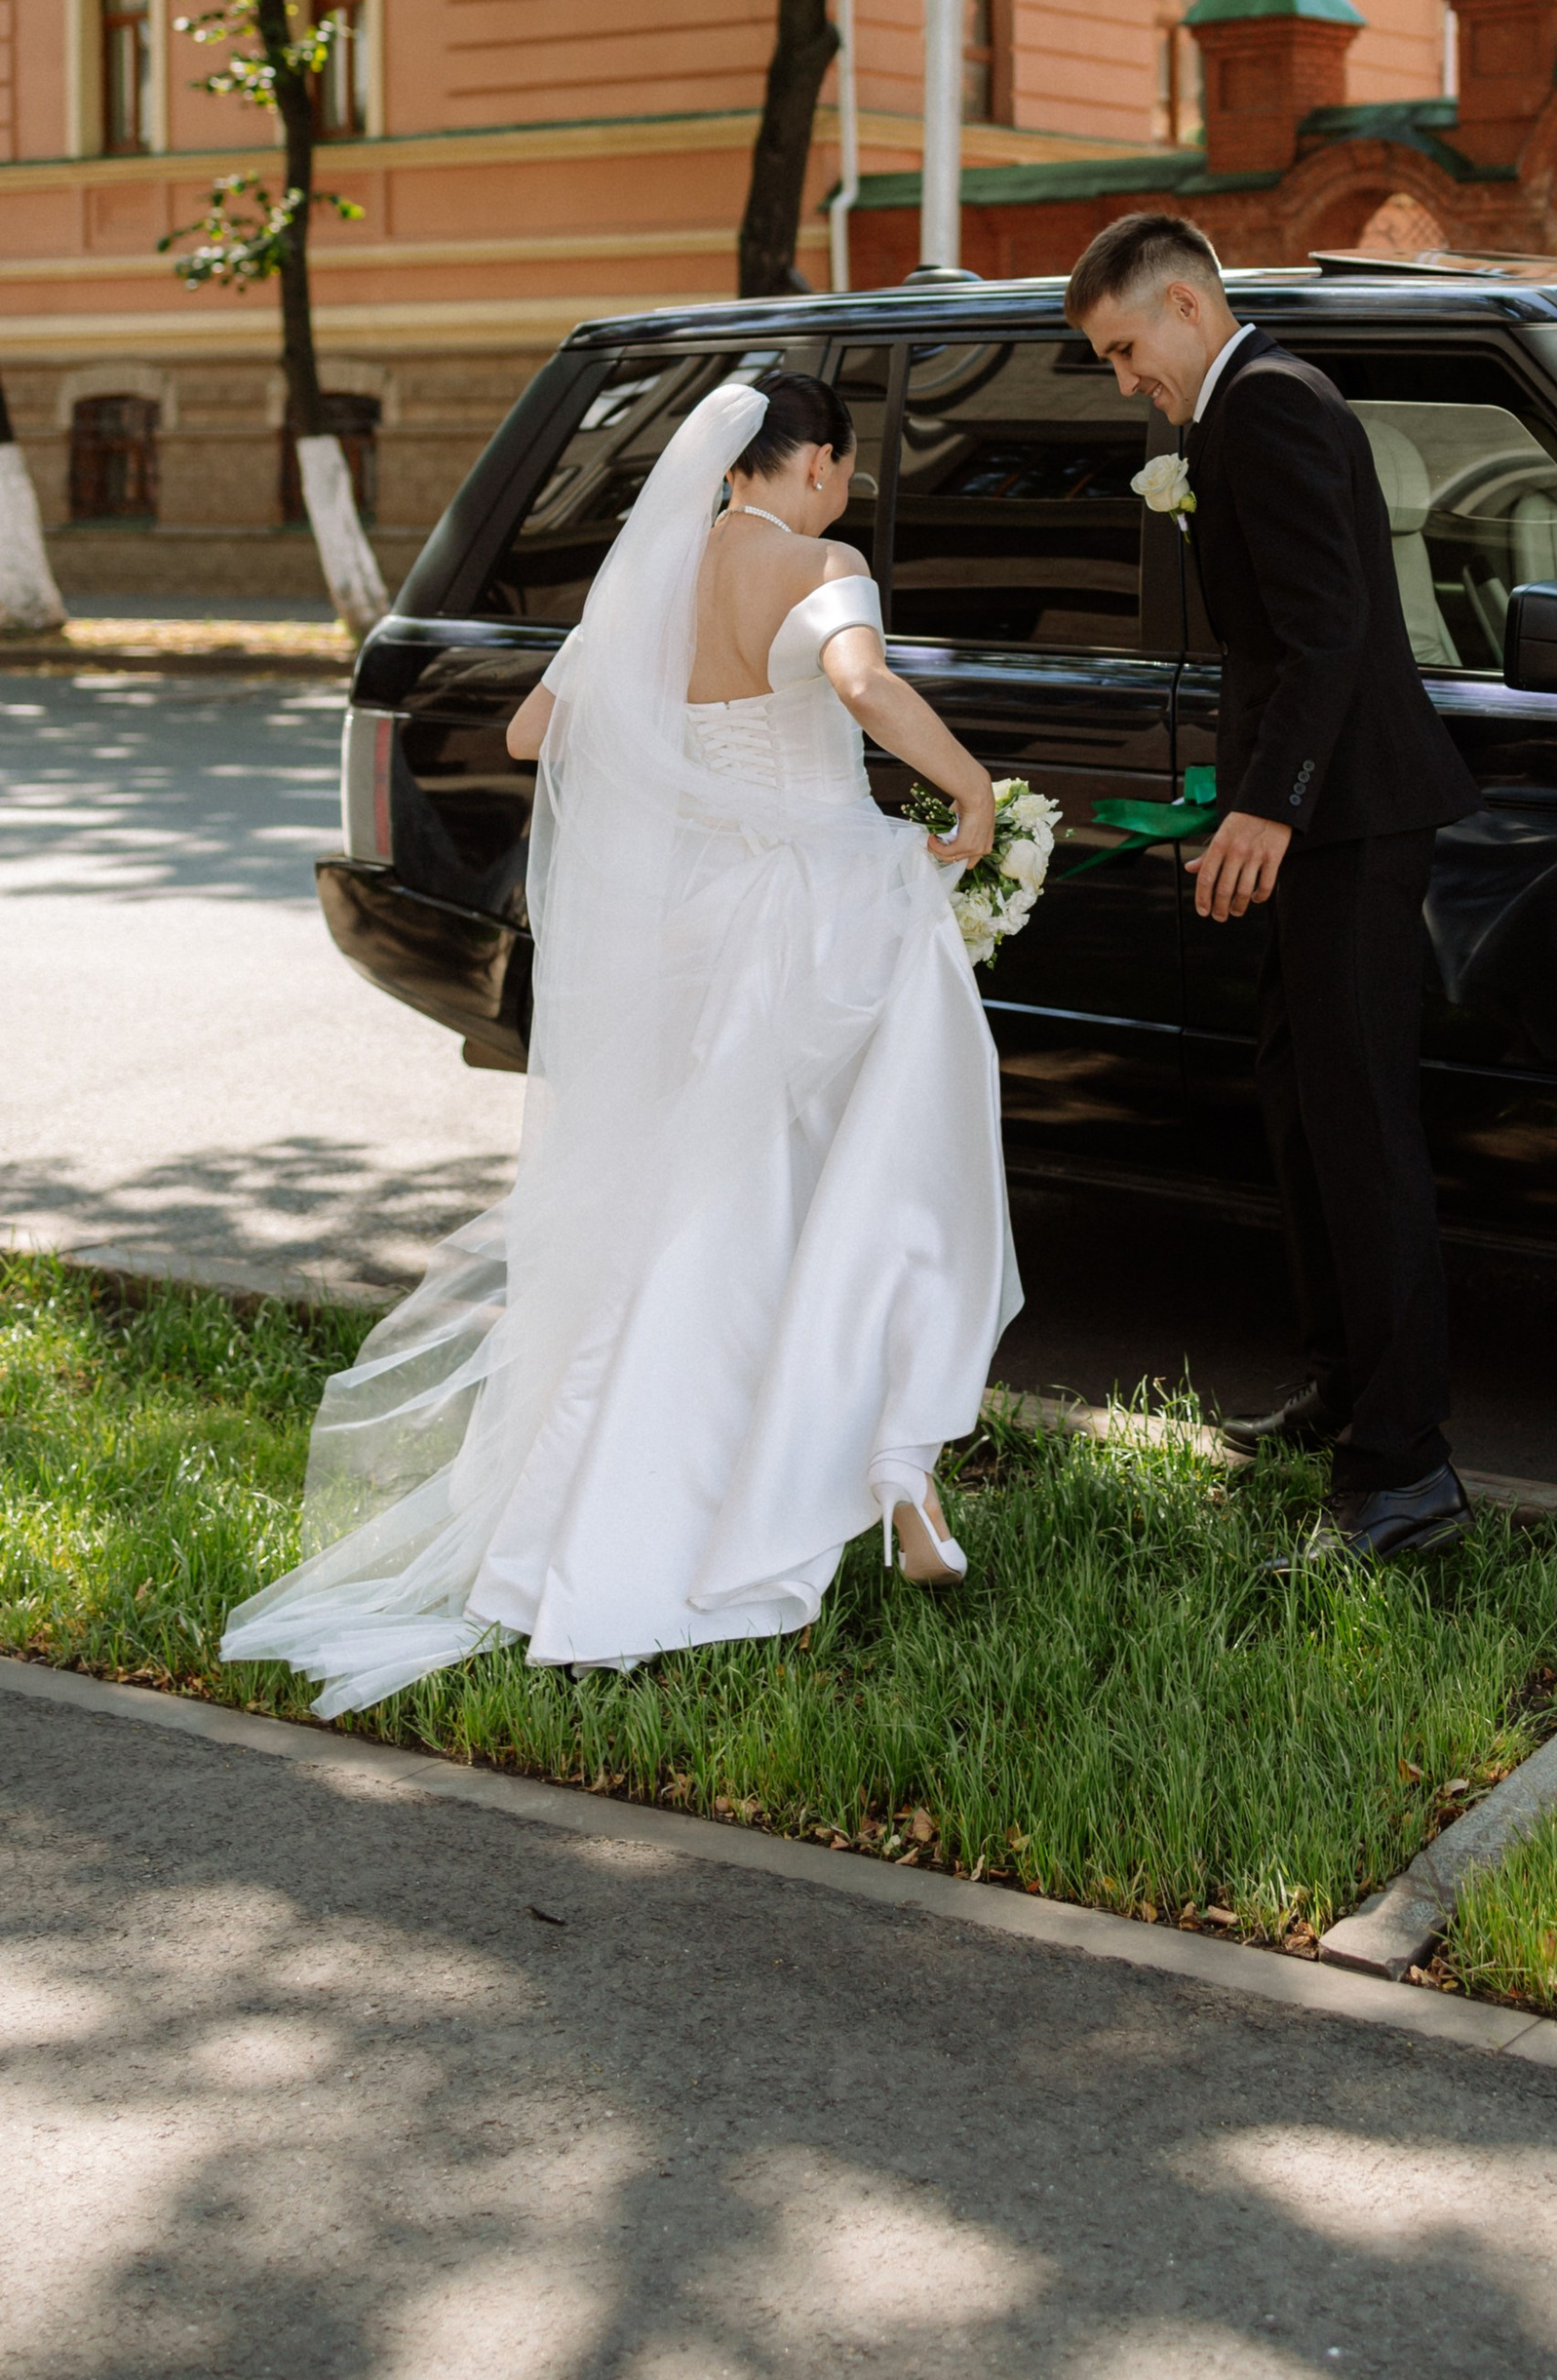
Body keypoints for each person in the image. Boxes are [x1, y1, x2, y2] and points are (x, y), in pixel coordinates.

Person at [222, 373, 1019, 1718]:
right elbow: (858, 679)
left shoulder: (652, 571)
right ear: (812, 461)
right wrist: (972, 788)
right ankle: (887, 1464)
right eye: (841, 469)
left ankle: (731, 1489)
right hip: (824, 919)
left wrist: (677, 758)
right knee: (893, 1175)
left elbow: (539, 730)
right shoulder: (821, 560)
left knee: (711, 1206)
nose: (843, 491)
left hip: (699, 938)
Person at [1068, 213, 1479, 1562]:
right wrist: (1242, 804)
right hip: (1313, 820)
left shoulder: (1274, 408)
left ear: (1187, 306)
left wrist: (1267, 808)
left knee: (1360, 1129)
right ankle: (1348, 1389)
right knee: (1300, 1110)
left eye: (1128, 350)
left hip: (1349, 824)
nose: (1129, 381)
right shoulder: (1233, 414)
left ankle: (1406, 1468)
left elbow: (1326, 631)